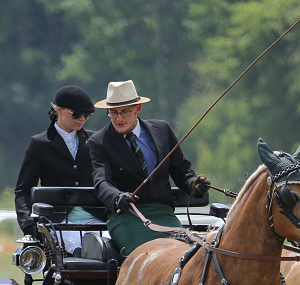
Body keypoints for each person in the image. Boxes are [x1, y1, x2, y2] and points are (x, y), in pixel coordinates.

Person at [87, 80, 209, 256]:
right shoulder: (99, 141)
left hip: (164, 213)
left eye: (124, 112)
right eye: (113, 113)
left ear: (137, 109)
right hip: (127, 217)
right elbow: (102, 181)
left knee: (190, 256)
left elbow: (182, 171)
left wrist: (194, 184)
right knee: (144, 257)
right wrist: (117, 197)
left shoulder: (162, 130)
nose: (118, 118)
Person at [14, 85, 106, 254]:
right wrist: (28, 226)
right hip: (59, 223)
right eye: (77, 114)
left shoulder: (95, 141)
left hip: (98, 220)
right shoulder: (39, 144)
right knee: (82, 253)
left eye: (87, 115)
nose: (82, 119)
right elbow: (23, 190)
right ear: (59, 110)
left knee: (112, 254)